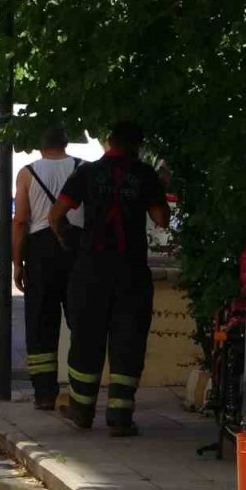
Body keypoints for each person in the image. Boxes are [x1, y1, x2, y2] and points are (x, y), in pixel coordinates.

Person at [47, 120, 170, 437]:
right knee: (128, 339)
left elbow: (56, 216)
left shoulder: (87, 173)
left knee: (86, 338)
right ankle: (119, 417)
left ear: (109, 141)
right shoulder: (145, 175)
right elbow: (160, 219)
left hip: (91, 268)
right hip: (130, 270)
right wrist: (162, 186)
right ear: (137, 145)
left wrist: (70, 242)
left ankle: (82, 409)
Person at [12, 127, 84, 410]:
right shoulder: (82, 168)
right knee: (79, 320)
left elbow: (20, 221)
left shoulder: (28, 172)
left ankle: (44, 393)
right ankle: (80, 390)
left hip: (41, 251)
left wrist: (18, 263)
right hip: (76, 248)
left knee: (41, 320)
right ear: (66, 143)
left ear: (40, 147)